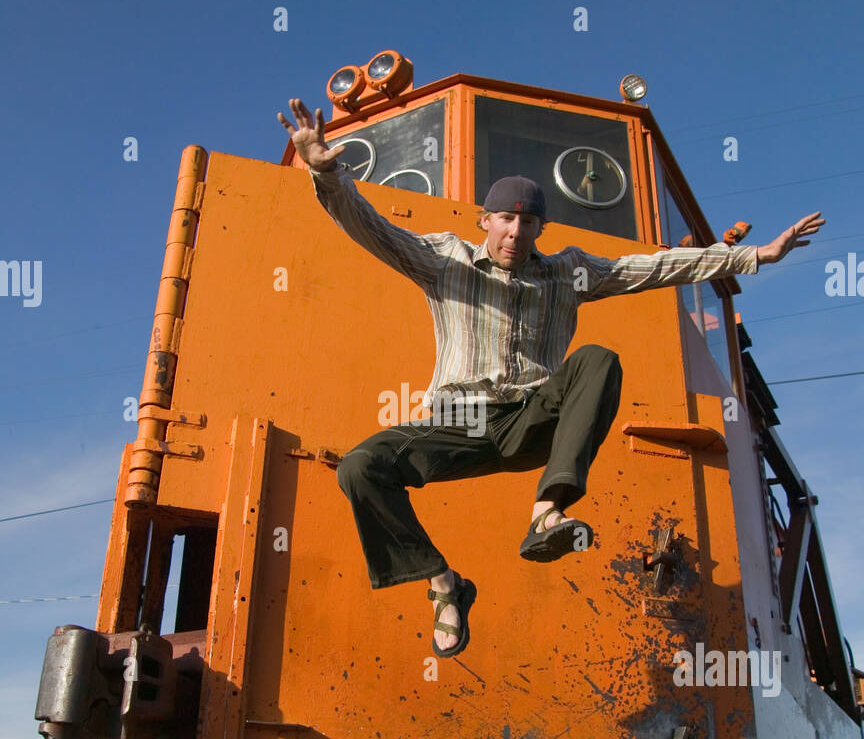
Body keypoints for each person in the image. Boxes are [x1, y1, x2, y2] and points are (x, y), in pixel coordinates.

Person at [279, 99, 823, 658]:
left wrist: (755, 255)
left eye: (528, 221)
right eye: (506, 219)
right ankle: (444, 586)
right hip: (458, 420)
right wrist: (327, 172)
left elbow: (656, 266)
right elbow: (372, 229)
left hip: (532, 418)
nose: (515, 231)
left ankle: (547, 512)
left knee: (597, 358)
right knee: (360, 467)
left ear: (541, 226)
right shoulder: (444, 260)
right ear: (485, 220)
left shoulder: (569, 271)